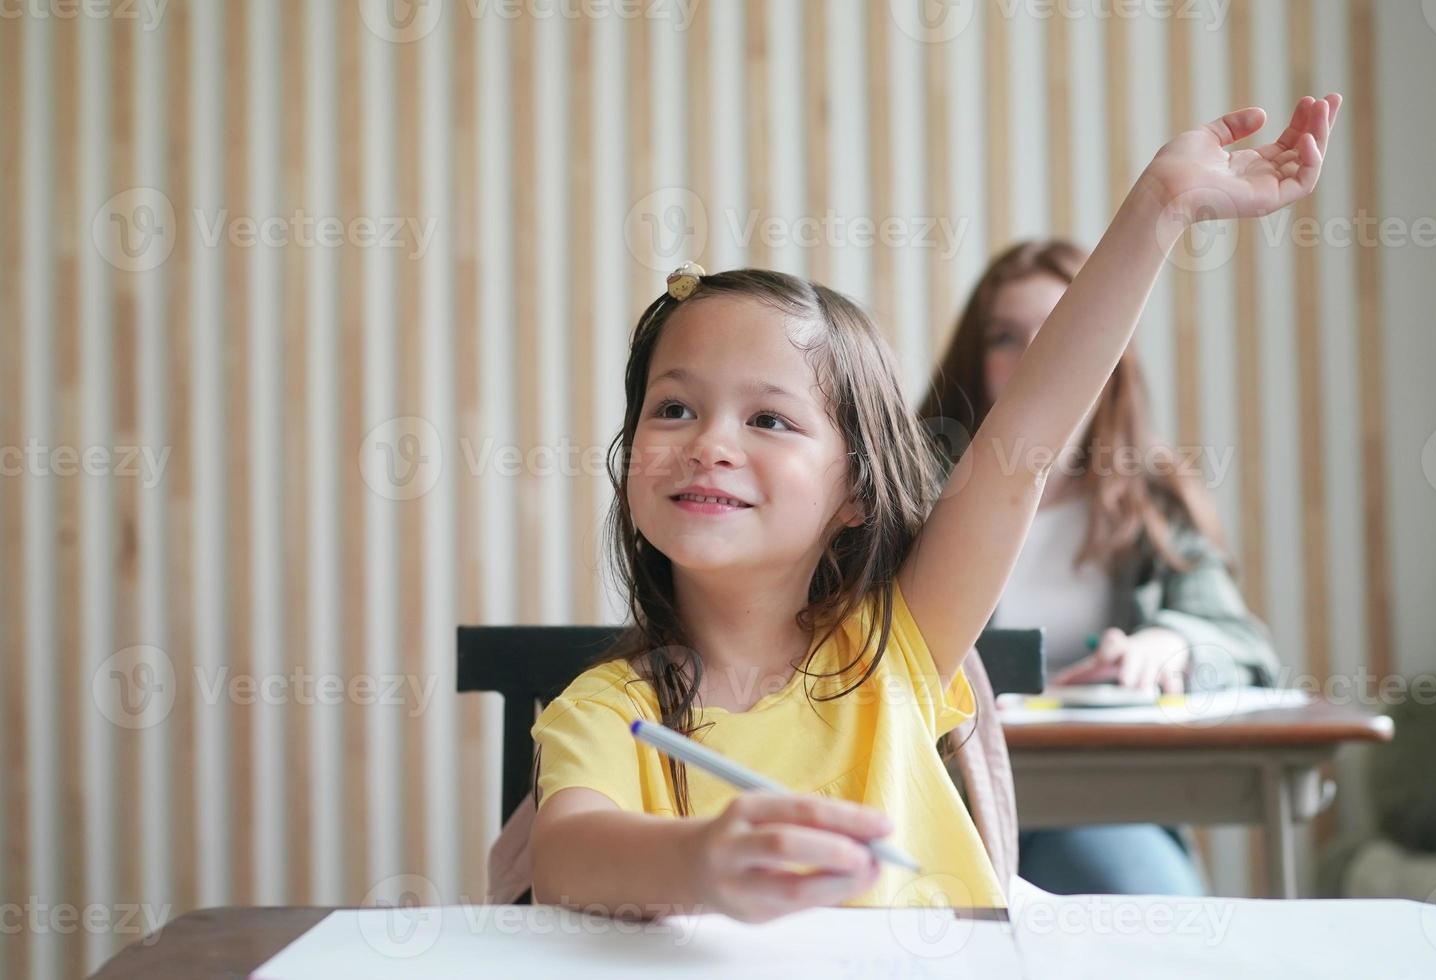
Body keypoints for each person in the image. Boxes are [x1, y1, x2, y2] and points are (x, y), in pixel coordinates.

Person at [529, 95, 1340, 922]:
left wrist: (1159, 210)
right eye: (673, 409)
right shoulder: (605, 707)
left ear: (855, 495)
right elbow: (565, 856)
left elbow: (1028, 428)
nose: (709, 443)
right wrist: (705, 862)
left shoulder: (898, 647)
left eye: (768, 419)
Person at [920, 237, 1283, 896]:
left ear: (1109, 354)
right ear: (975, 362)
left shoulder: (1153, 500)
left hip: (1099, 805)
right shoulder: (915, 490)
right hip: (941, 796)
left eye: (1063, 328)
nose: (1037, 355)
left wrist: (1171, 642)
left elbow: (1247, 646)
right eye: (1006, 337)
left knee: (1154, 914)